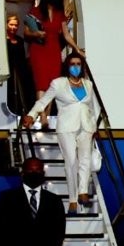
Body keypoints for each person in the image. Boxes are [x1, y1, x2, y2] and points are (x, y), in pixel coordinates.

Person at [22, 51, 98, 215]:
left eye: (78, 64)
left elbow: (92, 107)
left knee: (85, 159)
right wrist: (31, 114)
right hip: (66, 126)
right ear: (67, 66)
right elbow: (43, 101)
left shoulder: (88, 84)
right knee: (71, 161)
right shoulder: (58, 83)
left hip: (86, 125)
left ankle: (83, 191)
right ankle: (72, 199)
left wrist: (95, 126)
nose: (76, 67)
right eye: (72, 64)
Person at [23, 0, 85, 127]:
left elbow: (66, 35)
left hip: (53, 50)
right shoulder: (35, 11)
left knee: (52, 85)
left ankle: (47, 114)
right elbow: (26, 32)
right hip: (39, 49)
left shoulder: (60, 13)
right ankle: (43, 116)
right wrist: (36, 34)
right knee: (41, 84)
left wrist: (77, 49)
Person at [6, 13, 35, 115]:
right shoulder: (3, 40)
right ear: (6, 25)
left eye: (16, 25)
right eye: (11, 24)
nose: (13, 27)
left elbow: (22, 56)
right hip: (9, 69)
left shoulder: (20, 40)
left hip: (20, 69)